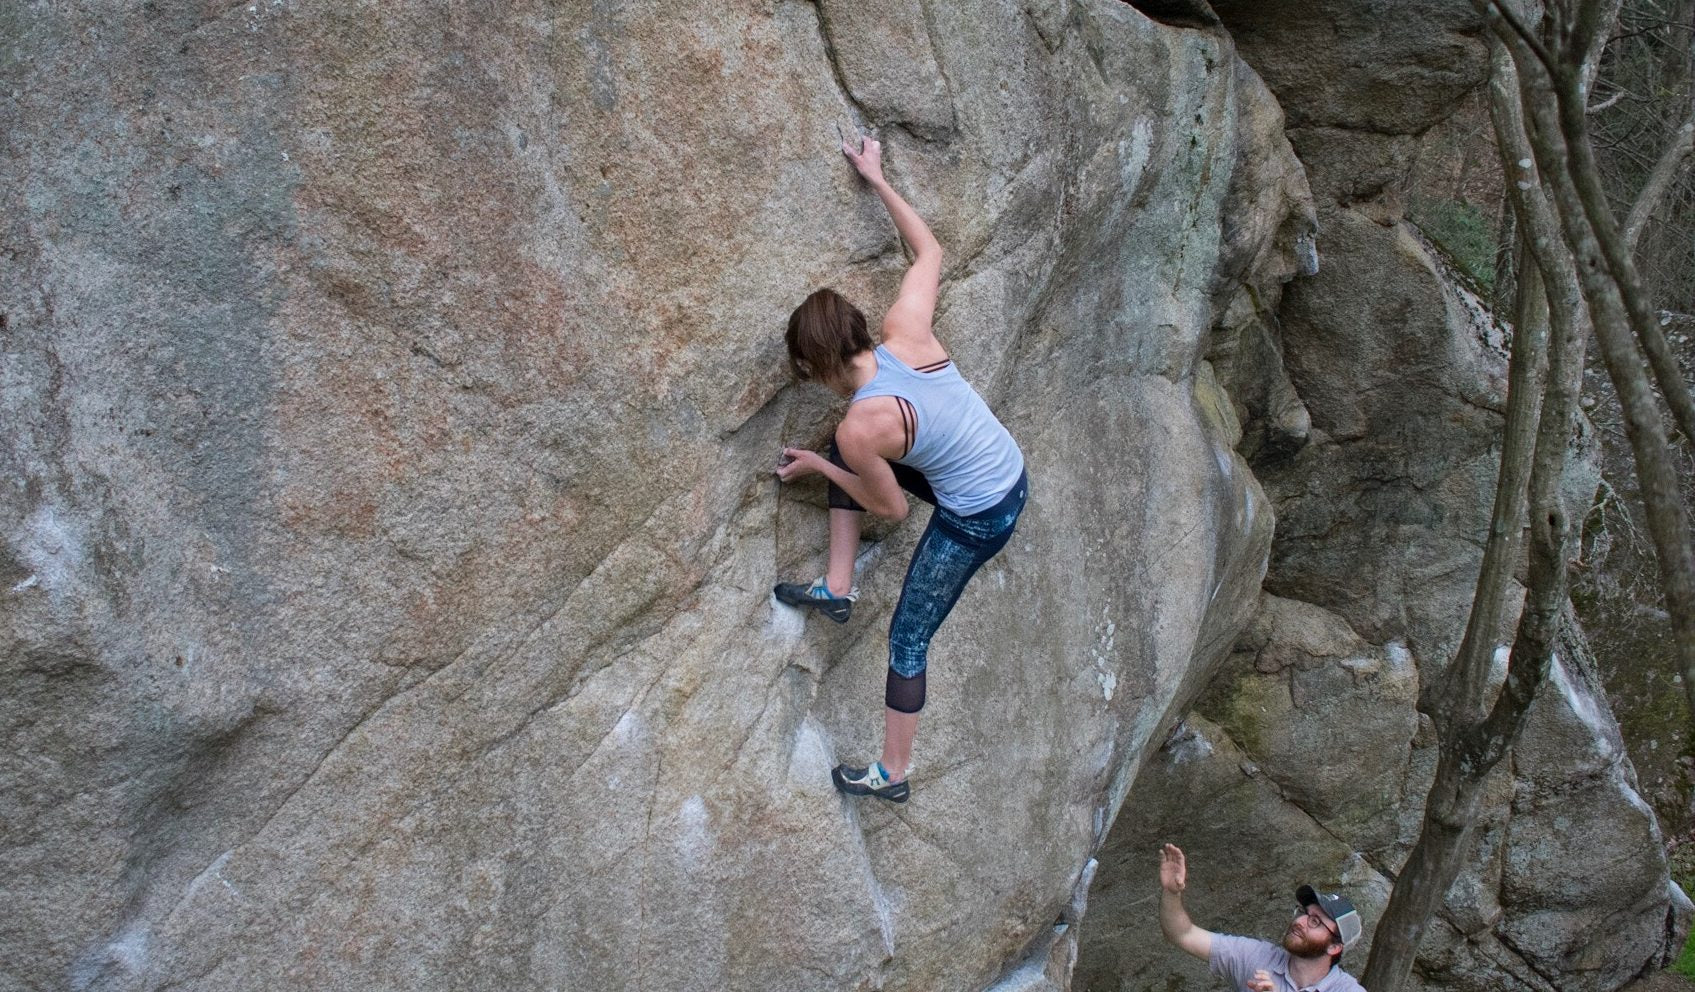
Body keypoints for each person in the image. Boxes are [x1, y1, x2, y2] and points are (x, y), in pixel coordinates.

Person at [772, 132, 1027, 805]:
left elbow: (892, 510)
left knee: (908, 638)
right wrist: (875, 176)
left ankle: (891, 774)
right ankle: (836, 587)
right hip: (997, 461)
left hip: (980, 513)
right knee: (840, 449)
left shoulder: (862, 426)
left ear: (820, 365)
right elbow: (930, 251)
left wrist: (823, 472)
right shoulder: (903, 332)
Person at [1157, 843, 1367, 992]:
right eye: (1304, 913)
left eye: (1315, 921)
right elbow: (1182, 934)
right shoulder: (1258, 958)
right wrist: (1172, 893)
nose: (1300, 921)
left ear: (1334, 947)